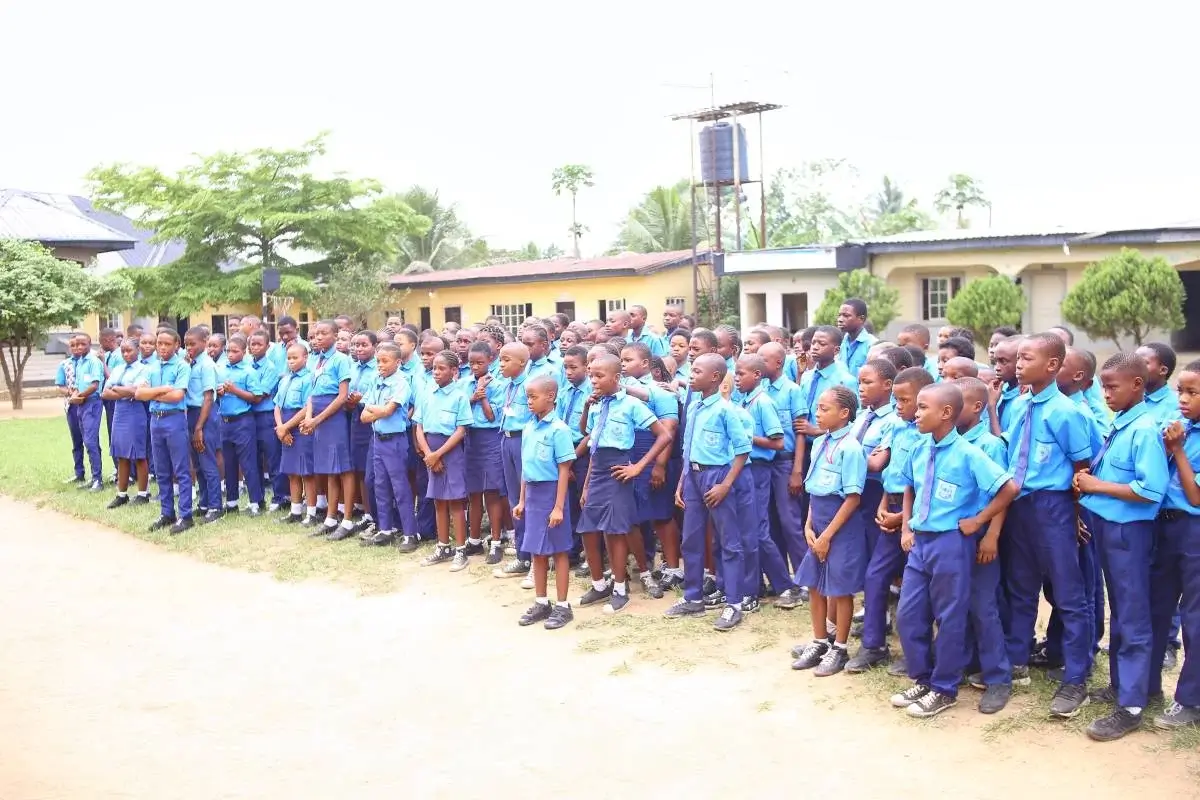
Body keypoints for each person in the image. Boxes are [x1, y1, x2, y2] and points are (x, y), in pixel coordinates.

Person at [889, 382, 1018, 718]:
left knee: (951, 616)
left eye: (922, 408)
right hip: (921, 541)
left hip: (951, 543)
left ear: (946, 413)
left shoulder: (969, 453)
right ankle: (923, 677)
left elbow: (1009, 488)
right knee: (909, 612)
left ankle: (944, 688)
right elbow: (910, 487)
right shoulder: (920, 448)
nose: (915, 414)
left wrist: (979, 521)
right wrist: (907, 526)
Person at [1075, 352, 1169, 741]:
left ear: (1137, 384)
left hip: (1129, 534)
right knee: (1121, 611)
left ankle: (1131, 706)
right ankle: (1126, 685)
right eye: (1103, 386)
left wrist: (1095, 486)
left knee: (1132, 617)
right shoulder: (1123, 423)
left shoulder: (1144, 429)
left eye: (1112, 387)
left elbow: (1150, 490)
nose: (1105, 393)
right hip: (1109, 527)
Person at [1003, 333, 1095, 719]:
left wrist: (1074, 516)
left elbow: (1081, 469)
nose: (1019, 364)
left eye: (1027, 358)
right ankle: (1017, 659)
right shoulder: (1020, 405)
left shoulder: (1067, 412)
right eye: (1018, 358)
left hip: (1054, 507)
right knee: (1020, 588)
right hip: (1020, 507)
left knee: (1070, 595)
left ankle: (1075, 678)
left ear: (1053, 366)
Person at [576, 354, 672, 614]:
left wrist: (639, 467)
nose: (593, 380)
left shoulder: (631, 404)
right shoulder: (596, 404)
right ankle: (599, 585)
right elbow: (589, 436)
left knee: (616, 531)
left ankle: (620, 589)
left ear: (616, 378)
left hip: (619, 469)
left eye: (599, 376)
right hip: (597, 470)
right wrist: (586, 486)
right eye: (591, 374)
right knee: (587, 528)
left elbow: (663, 435)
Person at [664, 353, 753, 630]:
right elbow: (688, 448)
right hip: (693, 475)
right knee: (690, 539)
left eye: (697, 371)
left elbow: (742, 450)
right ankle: (693, 598)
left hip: (718, 477)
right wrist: (682, 482)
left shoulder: (726, 410)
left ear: (715, 377)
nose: (691, 375)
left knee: (729, 541)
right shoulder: (694, 407)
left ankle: (734, 604)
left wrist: (725, 484)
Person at [855, 366, 933, 677]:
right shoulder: (895, 428)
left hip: (917, 517)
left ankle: (921, 652)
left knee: (920, 589)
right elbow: (886, 469)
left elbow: (921, 485)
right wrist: (884, 505)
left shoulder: (927, 435)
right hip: (890, 510)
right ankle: (873, 644)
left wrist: (905, 518)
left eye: (905, 400)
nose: (899, 406)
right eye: (896, 399)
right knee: (875, 576)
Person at [790, 385, 868, 675]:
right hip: (819, 524)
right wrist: (810, 526)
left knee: (841, 589)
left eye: (825, 409)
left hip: (840, 529)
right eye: (818, 408)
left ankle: (840, 648)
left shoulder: (850, 448)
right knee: (814, 584)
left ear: (844, 413)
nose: (818, 414)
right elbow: (814, 491)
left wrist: (826, 536)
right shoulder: (822, 442)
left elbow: (852, 498)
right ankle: (820, 640)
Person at [954, 377, 1018, 713]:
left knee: (984, 605)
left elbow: (1002, 494)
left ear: (978, 407)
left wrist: (991, 535)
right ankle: (965, 660)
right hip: (955, 535)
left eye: (958, 402)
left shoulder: (990, 444)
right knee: (959, 602)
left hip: (980, 534)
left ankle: (997, 677)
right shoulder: (949, 441)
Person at [1150, 359, 1200, 730]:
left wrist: (1178, 450)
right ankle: (1145, 686)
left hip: (1193, 532)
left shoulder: (1185, 438)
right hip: (1163, 528)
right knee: (1155, 609)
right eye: (1180, 391)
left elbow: (1195, 496)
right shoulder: (1182, 428)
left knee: (1195, 621)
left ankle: (1189, 701)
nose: (1182, 399)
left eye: (1191, 393)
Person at [730, 354, 796, 612]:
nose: (736, 378)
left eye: (741, 374)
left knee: (758, 531)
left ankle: (786, 586)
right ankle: (754, 586)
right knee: (748, 530)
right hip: (745, 468)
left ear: (757, 375)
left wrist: (747, 437)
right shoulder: (744, 400)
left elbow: (778, 442)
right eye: (735, 373)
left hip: (759, 469)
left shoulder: (762, 402)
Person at [843, 359, 898, 672]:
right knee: (871, 570)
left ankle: (879, 637)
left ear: (887, 385)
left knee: (882, 571)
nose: (860, 389)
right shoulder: (864, 416)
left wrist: (845, 461)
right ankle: (876, 633)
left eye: (867, 382)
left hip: (882, 496)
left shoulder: (893, 420)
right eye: (859, 382)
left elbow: (877, 464)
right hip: (862, 497)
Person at [515, 375, 577, 629]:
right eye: (527, 396)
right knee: (536, 551)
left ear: (550, 396)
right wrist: (521, 501)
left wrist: (559, 506)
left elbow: (564, 469)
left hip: (552, 493)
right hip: (533, 494)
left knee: (559, 550)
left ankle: (563, 605)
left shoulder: (559, 429)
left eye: (533, 396)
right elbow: (525, 469)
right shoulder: (528, 427)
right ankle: (542, 601)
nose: (529, 401)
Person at [619, 341, 680, 598]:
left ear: (645, 364)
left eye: (628, 360)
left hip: (652, 452)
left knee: (662, 514)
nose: (623, 365)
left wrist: (660, 465)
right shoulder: (620, 391)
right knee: (634, 513)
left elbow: (669, 429)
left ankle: (674, 567)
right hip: (630, 451)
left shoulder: (659, 391)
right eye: (620, 361)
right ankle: (644, 566)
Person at [413, 351, 473, 570]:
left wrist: (439, 454)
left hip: (451, 452)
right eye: (434, 368)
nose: (436, 372)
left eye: (442, 368)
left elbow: (461, 430)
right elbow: (419, 426)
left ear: (454, 371)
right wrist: (429, 453)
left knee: (455, 501)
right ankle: (443, 545)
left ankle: (460, 549)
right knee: (438, 500)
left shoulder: (459, 396)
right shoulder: (428, 393)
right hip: (430, 449)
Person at [758, 343, 808, 597]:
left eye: (763, 360)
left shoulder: (792, 390)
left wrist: (797, 470)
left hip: (786, 462)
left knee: (790, 522)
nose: (758, 364)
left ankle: (804, 579)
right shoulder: (760, 389)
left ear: (778, 363)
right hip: (765, 464)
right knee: (772, 523)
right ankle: (781, 578)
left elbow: (800, 432)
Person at [358, 342, 418, 545]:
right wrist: (379, 410)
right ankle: (385, 529)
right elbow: (363, 417)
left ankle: (410, 533)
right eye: (378, 361)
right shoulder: (375, 379)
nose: (380, 365)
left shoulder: (402, 382)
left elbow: (388, 411)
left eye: (385, 361)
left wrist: (378, 410)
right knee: (379, 485)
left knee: (400, 487)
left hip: (395, 441)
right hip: (377, 440)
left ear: (398, 362)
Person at [135, 328, 194, 534]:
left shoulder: (181, 366)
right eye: (159, 343)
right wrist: (161, 390)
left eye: (167, 344)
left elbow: (177, 396)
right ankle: (167, 512)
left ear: (177, 345)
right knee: (161, 470)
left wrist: (152, 394)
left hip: (174, 420)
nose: (162, 347)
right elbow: (139, 393)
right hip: (156, 421)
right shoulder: (151, 367)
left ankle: (185, 515)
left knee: (181, 470)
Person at [300, 320, 356, 539]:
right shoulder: (317, 360)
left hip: (334, 419)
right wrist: (308, 417)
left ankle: (348, 520)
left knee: (344, 469)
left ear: (335, 335)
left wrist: (317, 419)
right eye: (315, 335)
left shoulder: (341, 360)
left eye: (324, 333)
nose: (318, 337)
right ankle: (331, 518)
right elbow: (313, 394)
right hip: (318, 418)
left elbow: (342, 397)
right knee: (329, 469)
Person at [461, 340, 506, 564]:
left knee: (492, 492)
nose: (475, 367)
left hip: (490, 440)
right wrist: (472, 397)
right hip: (470, 440)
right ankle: (475, 539)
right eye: (471, 363)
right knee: (473, 493)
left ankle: (496, 541)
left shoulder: (498, 385)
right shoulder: (464, 383)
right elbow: (458, 411)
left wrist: (483, 394)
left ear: (490, 360)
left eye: (480, 362)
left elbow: (491, 417)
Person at [493, 342, 535, 581]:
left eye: (505, 360)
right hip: (506, 440)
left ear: (522, 362)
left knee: (527, 499)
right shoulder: (507, 386)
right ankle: (522, 555)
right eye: (499, 359)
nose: (501, 364)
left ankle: (535, 559)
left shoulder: (531, 385)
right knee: (513, 500)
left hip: (524, 442)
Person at [217, 334, 265, 516]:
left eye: (235, 351)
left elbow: (256, 397)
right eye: (228, 351)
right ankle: (231, 502)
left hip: (243, 420)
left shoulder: (248, 371)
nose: (230, 354)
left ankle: (255, 502)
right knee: (229, 463)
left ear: (244, 352)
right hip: (225, 420)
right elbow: (216, 393)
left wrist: (234, 390)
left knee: (248, 463)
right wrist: (220, 392)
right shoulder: (221, 369)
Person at [101, 338, 150, 508]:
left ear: (138, 350)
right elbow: (105, 393)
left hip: (135, 413)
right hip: (120, 412)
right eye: (123, 351)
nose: (126, 354)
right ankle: (122, 494)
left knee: (139, 454)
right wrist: (124, 391)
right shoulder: (118, 369)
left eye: (129, 350)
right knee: (121, 453)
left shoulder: (144, 369)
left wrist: (117, 389)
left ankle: (143, 493)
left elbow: (137, 392)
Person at [182, 327, 223, 524]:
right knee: (197, 463)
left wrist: (199, 427)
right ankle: (204, 502)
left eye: (193, 343)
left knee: (207, 461)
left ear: (204, 342)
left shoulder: (206, 365)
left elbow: (208, 397)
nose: (188, 347)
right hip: (192, 413)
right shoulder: (192, 363)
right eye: (186, 344)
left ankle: (215, 506)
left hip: (204, 415)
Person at [56, 333, 105, 491]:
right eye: (76, 344)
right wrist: (75, 394)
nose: (79, 347)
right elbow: (77, 385)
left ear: (90, 344)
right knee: (84, 441)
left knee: (90, 441)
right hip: (80, 404)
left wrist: (80, 396)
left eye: (83, 344)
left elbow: (94, 385)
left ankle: (98, 479)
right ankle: (91, 478)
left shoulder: (93, 361)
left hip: (91, 403)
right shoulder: (80, 363)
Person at [275, 344, 317, 525]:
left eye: (295, 358)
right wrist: (280, 428)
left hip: (299, 427)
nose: (291, 361)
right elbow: (277, 405)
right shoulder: (284, 379)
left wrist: (287, 427)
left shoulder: (309, 378)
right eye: (289, 358)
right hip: (284, 426)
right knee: (292, 472)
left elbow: (307, 406)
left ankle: (312, 513)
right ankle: (295, 510)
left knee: (306, 472)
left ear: (306, 357)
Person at [248, 330, 284, 512]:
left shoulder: (270, 368)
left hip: (266, 417)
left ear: (267, 346)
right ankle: (257, 499)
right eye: (252, 344)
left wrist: (239, 391)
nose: (254, 347)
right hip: (249, 417)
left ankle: (279, 497)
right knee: (253, 460)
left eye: (258, 344)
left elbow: (260, 394)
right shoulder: (247, 365)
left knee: (272, 458)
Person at [346, 331, 378, 531]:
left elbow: (376, 397)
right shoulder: (353, 367)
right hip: (355, 420)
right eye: (356, 345)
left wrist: (362, 401)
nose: (359, 348)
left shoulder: (379, 367)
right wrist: (351, 403)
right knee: (358, 468)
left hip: (372, 423)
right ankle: (367, 513)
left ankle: (377, 514)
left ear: (374, 346)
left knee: (371, 472)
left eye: (364, 345)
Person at [1136, 342, 1181, 427]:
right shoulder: (1130, 399)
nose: (1134, 367)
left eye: (1142, 363)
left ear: (1163, 370)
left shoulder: (1177, 406)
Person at [99, 327, 123, 477]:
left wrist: (102, 362)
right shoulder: (110, 354)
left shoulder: (119, 356)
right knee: (111, 433)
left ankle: (123, 470)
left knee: (116, 434)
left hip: (116, 399)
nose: (100, 345)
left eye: (101, 341)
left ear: (108, 340)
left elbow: (112, 378)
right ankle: (118, 469)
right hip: (108, 400)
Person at [987, 335, 1022, 436]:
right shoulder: (998, 391)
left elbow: (1002, 447)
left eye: (1003, 362)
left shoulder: (1023, 398)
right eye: (995, 362)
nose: (997, 368)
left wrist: (991, 407)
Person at [835, 298, 875, 377]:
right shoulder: (840, 343)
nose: (840, 319)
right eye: (839, 315)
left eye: (846, 316)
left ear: (861, 319)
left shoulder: (872, 345)